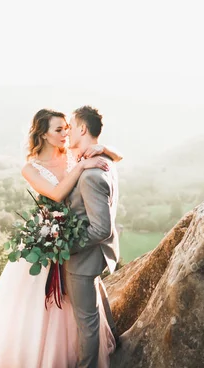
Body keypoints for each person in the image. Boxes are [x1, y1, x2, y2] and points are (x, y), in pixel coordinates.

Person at [0, 108, 119, 368]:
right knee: (39, 309)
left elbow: (117, 157)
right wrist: (81, 165)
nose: (65, 133)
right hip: (49, 242)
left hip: (75, 239)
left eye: (67, 128)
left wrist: (105, 150)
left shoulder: (72, 153)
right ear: (43, 134)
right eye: (59, 129)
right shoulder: (31, 168)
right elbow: (57, 194)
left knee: (80, 305)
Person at [64, 106, 120, 368]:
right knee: (94, 312)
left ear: (83, 129)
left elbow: (101, 229)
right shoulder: (103, 160)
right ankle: (115, 347)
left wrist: (64, 247)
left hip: (83, 259)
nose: (68, 132)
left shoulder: (91, 174)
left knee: (86, 324)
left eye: (72, 127)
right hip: (92, 258)